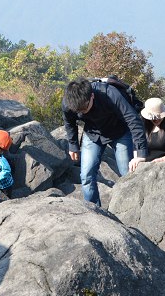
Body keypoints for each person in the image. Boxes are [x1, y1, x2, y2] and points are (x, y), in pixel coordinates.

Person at [63, 78, 149, 207]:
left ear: (92, 95)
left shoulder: (109, 93)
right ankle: (94, 210)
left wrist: (140, 152)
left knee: (127, 173)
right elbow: (69, 123)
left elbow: (133, 120)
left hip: (119, 132)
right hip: (93, 134)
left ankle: (132, 208)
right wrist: (73, 145)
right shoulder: (69, 103)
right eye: (79, 111)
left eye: (85, 107)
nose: (83, 112)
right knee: (86, 175)